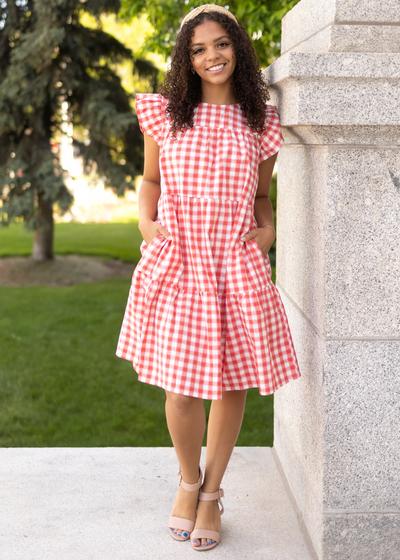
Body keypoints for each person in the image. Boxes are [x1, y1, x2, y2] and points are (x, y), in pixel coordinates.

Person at [117, 4, 300, 551]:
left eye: (221, 44)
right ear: (186, 59)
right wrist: (148, 227)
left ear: (237, 49)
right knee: (180, 390)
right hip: (180, 260)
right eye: (198, 49)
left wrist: (266, 231)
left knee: (230, 383)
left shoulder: (260, 119)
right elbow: (150, 180)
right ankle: (187, 480)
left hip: (233, 262)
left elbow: (262, 194)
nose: (211, 56)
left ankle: (213, 494)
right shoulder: (166, 114)